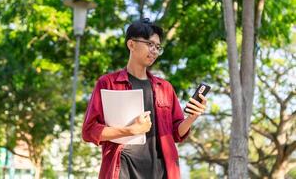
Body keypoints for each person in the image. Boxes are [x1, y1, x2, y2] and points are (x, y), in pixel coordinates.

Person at [82, 18, 207, 179]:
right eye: (149, 44)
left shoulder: (165, 88)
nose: (154, 50)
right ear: (131, 44)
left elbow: (176, 133)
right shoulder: (108, 83)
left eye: (157, 47)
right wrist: (130, 130)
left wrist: (192, 117)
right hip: (122, 171)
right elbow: (89, 131)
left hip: (161, 172)